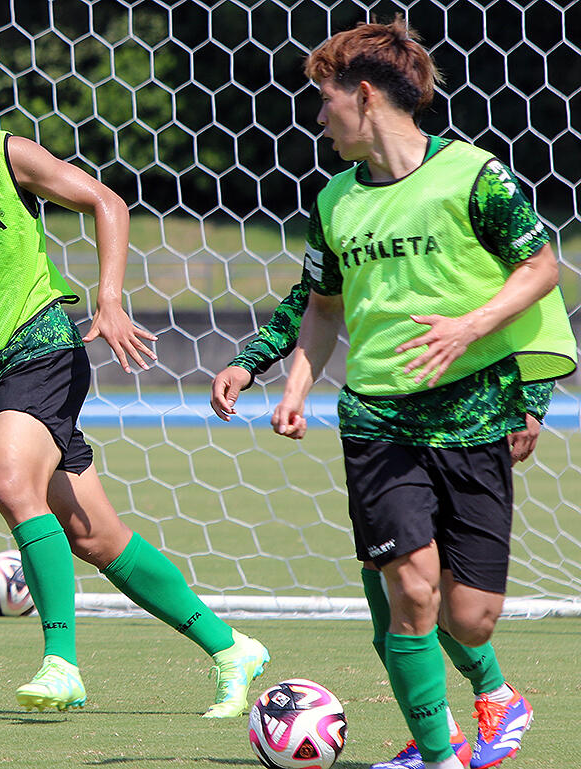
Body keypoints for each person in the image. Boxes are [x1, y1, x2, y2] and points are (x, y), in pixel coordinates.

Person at [0, 37, 269, 716]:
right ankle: (231, 648)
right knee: (94, 536)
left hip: (43, 343)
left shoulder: (2, 154)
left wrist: (108, 297)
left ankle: (61, 661)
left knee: (9, 480)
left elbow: (108, 203)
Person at [268, 17, 574, 769]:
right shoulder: (335, 199)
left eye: (326, 99)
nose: (318, 117)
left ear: (364, 95)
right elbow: (323, 308)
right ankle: (437, 754)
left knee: (469, 617)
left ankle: (495, 691)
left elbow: (542, 268)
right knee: (412, 588)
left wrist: (471, 329)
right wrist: (296, 384)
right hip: (377, 420)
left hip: (473, 418)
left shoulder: (474, 174)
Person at [212, 277, 553, 768]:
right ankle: (441, 735)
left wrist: (532, 399)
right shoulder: (343, 206)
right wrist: (248, 364)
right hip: (379, 432)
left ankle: (496, 697)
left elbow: (536, 293)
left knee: (450, 605)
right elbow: (315, 301)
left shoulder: (462, 205)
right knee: (388, 605)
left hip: (465, 426)